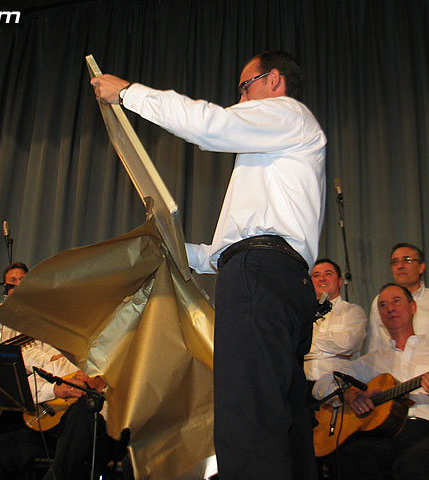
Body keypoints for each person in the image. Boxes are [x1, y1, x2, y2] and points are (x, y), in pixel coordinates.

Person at [92, 50, 326, 479]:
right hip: (269, 275)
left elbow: (209, 125)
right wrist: (176, 248)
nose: (240, 99)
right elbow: (227, 251)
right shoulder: (274, 152)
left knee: (247, 418)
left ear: (274, 80)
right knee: (281, 419)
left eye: (245, 87)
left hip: (262, 275)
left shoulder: (287, 114)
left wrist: (128, 93)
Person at [313, 284, 429, 480]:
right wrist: (350, 394)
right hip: (387, 436)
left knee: (412, 465)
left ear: (413, 307)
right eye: (383, 305)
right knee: (351, 457)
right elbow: (322, 384)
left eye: (396, 301)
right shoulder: (373, 360)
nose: (390, 308)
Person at [364, 243, 429, 353]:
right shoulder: (380, 301)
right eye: (395, 262)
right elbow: (374, 346)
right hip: (391, 363)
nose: (400, 266)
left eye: (407, 260)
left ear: (421, 267)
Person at [304, 258, 367, 381]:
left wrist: (310, 344)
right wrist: (333, 351)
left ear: (340, 281)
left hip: (338, 385)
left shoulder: (353, 312)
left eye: (328, 274)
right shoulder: (303, 315)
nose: (322, 279)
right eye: (316, 275)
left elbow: (349, 344)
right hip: (303, 384)